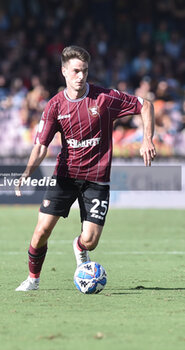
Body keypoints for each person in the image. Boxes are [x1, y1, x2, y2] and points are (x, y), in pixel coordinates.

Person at [15, 45, 156, 291]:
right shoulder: (55, 106)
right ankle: (33, 280)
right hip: (65, 177)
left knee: (90, 241)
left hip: (97, 180)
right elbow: (40, 146)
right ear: (64, 72)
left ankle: (79, 248)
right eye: (76, 71)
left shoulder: (103, 98)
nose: (81, 76)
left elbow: (146, 105)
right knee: (41, 231)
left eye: (85, 71)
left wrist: (147, 139)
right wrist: (27, 172)